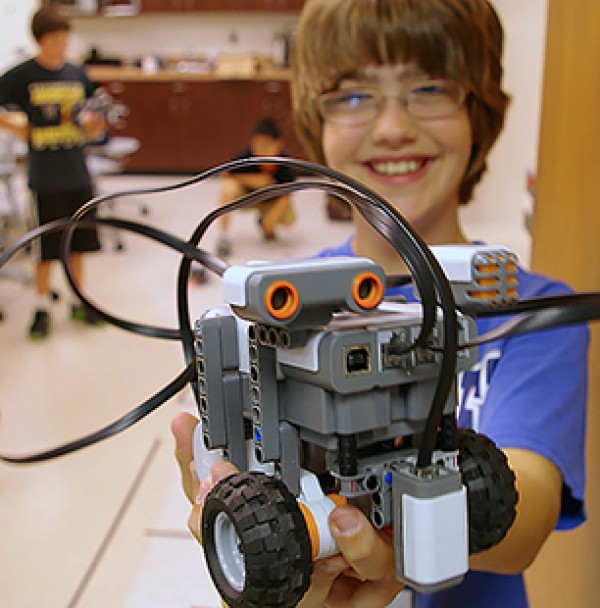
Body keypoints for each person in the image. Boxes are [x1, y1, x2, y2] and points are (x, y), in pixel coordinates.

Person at [172, 1, 589, 607]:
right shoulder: (286, 307)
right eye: (352, 94)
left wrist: (405, 526)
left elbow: (523, 520)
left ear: (480, 110)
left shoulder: (532, 314)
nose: (393, 126)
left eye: (429, 87)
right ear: (316, 122)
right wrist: (240, 503)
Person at [0, 5, 107, 341]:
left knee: (78, 243)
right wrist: (20, 129)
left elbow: (94, 123)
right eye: (54, 39)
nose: (61, 45)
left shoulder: (77, 74)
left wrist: (93, 125)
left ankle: (78, 299)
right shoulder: (22, 75)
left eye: (65, 38)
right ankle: (41, 306)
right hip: (44, 176)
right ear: (40, 40)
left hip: (77, 171)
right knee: (46, 246)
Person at [214, 117, 296, 258]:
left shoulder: (285, 165)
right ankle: (224, 235)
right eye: (257, 145)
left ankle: (265, 227)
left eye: (266, 145)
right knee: (228, 188)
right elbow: (225, 174)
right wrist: (253, 180)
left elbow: (287, 195)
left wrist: (271, 219)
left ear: (279, 143)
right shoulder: (246, 157)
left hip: (270, 200)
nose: (261, 150)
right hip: (246, 196)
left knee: (288, 219)